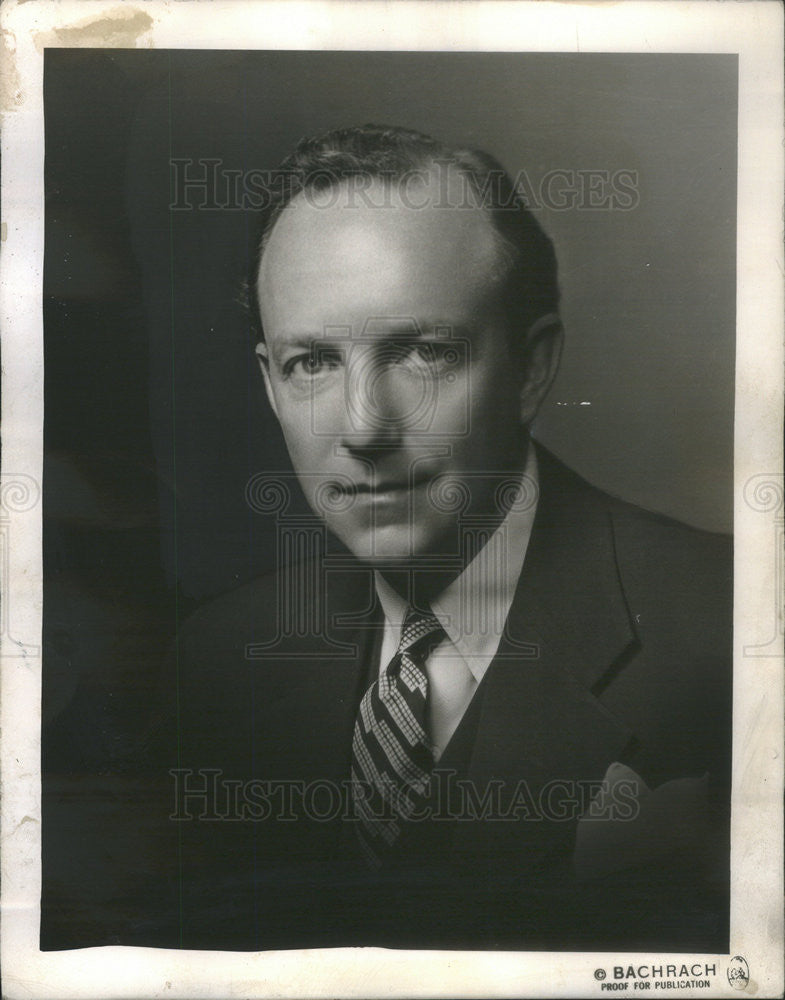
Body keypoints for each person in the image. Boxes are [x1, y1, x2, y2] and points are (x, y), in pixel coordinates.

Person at [45, 124, 733, 953]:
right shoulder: (216, 662)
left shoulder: (732, 631)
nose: (363, 428)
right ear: (269, 384)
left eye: (421, 351)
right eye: (312, 364)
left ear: (531, 368)